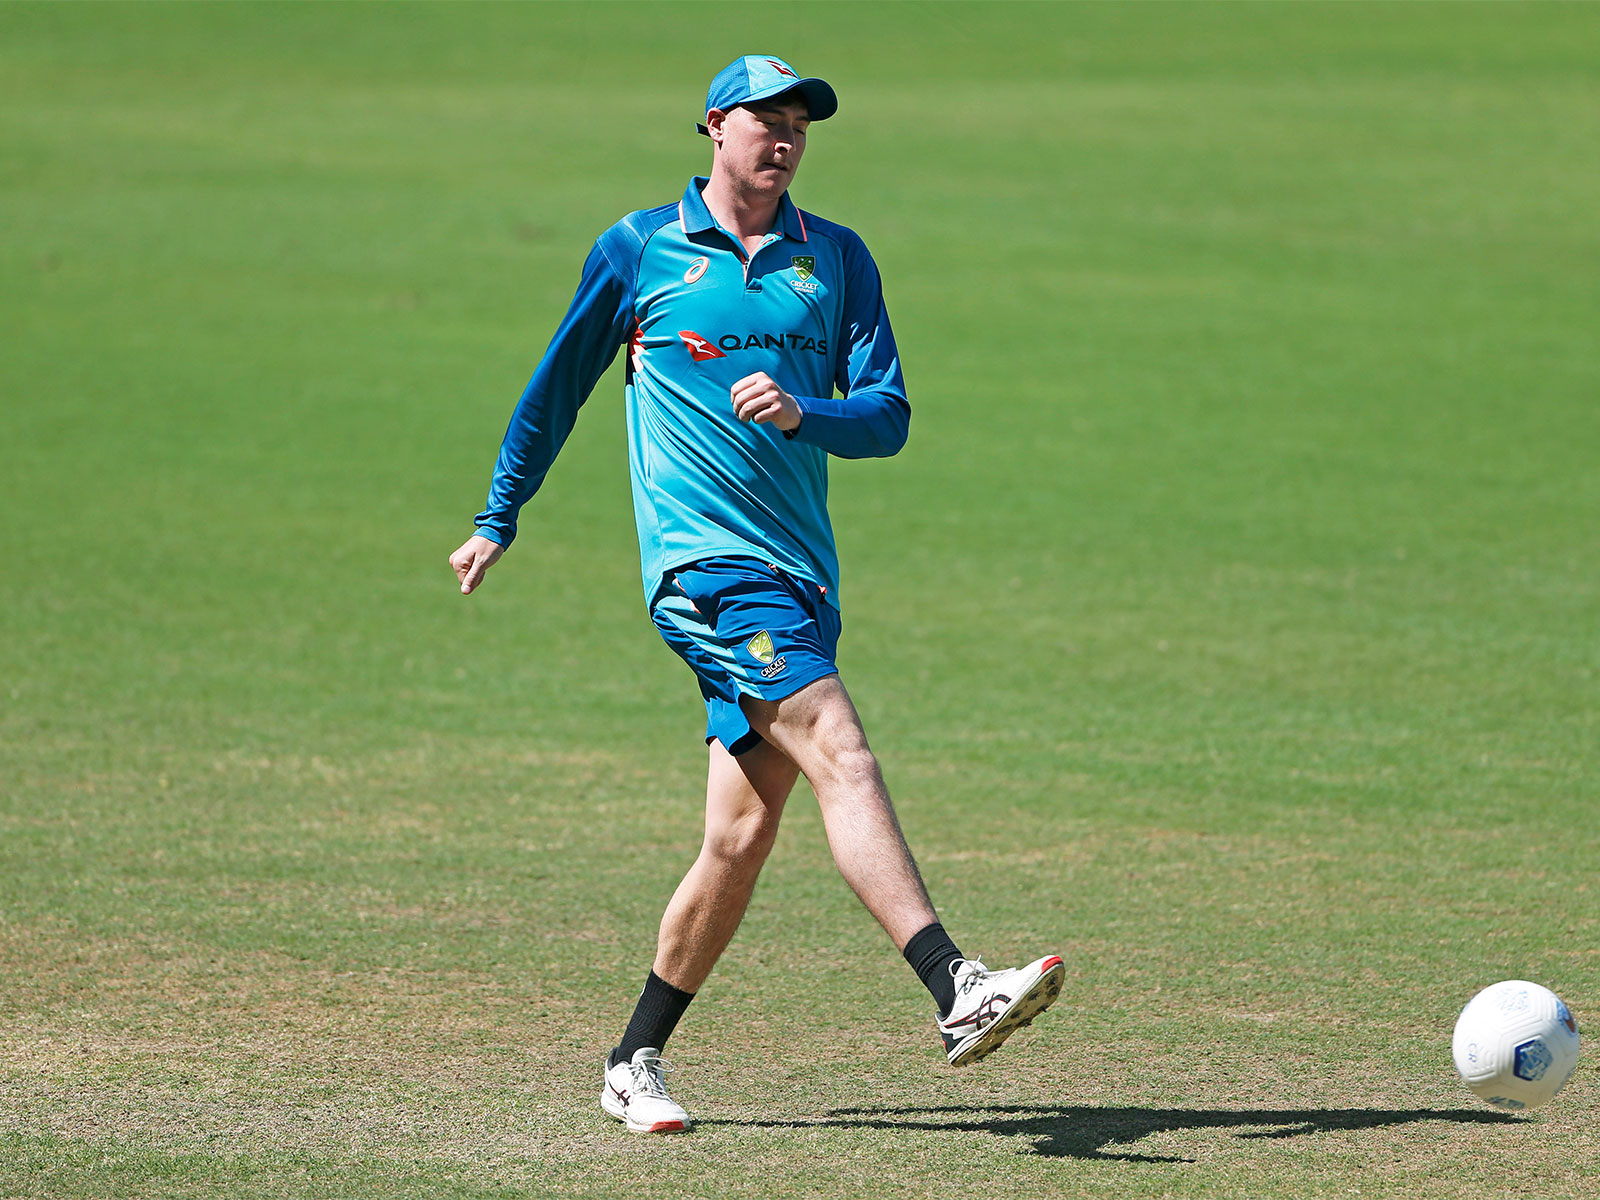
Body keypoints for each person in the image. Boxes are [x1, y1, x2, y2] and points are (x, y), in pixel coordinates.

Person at [449, 54, 1063, 1134]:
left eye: (797, 125)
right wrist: (501, 513)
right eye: (760, 121)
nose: (781, 139)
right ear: (711, 129)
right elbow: (556, 389)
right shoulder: (640, 250)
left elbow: (887, 415)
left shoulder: (835, 259)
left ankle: (631, 1060)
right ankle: (954, 985)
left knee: (739, 838)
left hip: (801, 575)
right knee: (841, 744)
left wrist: (802, 413)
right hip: (707, 572)